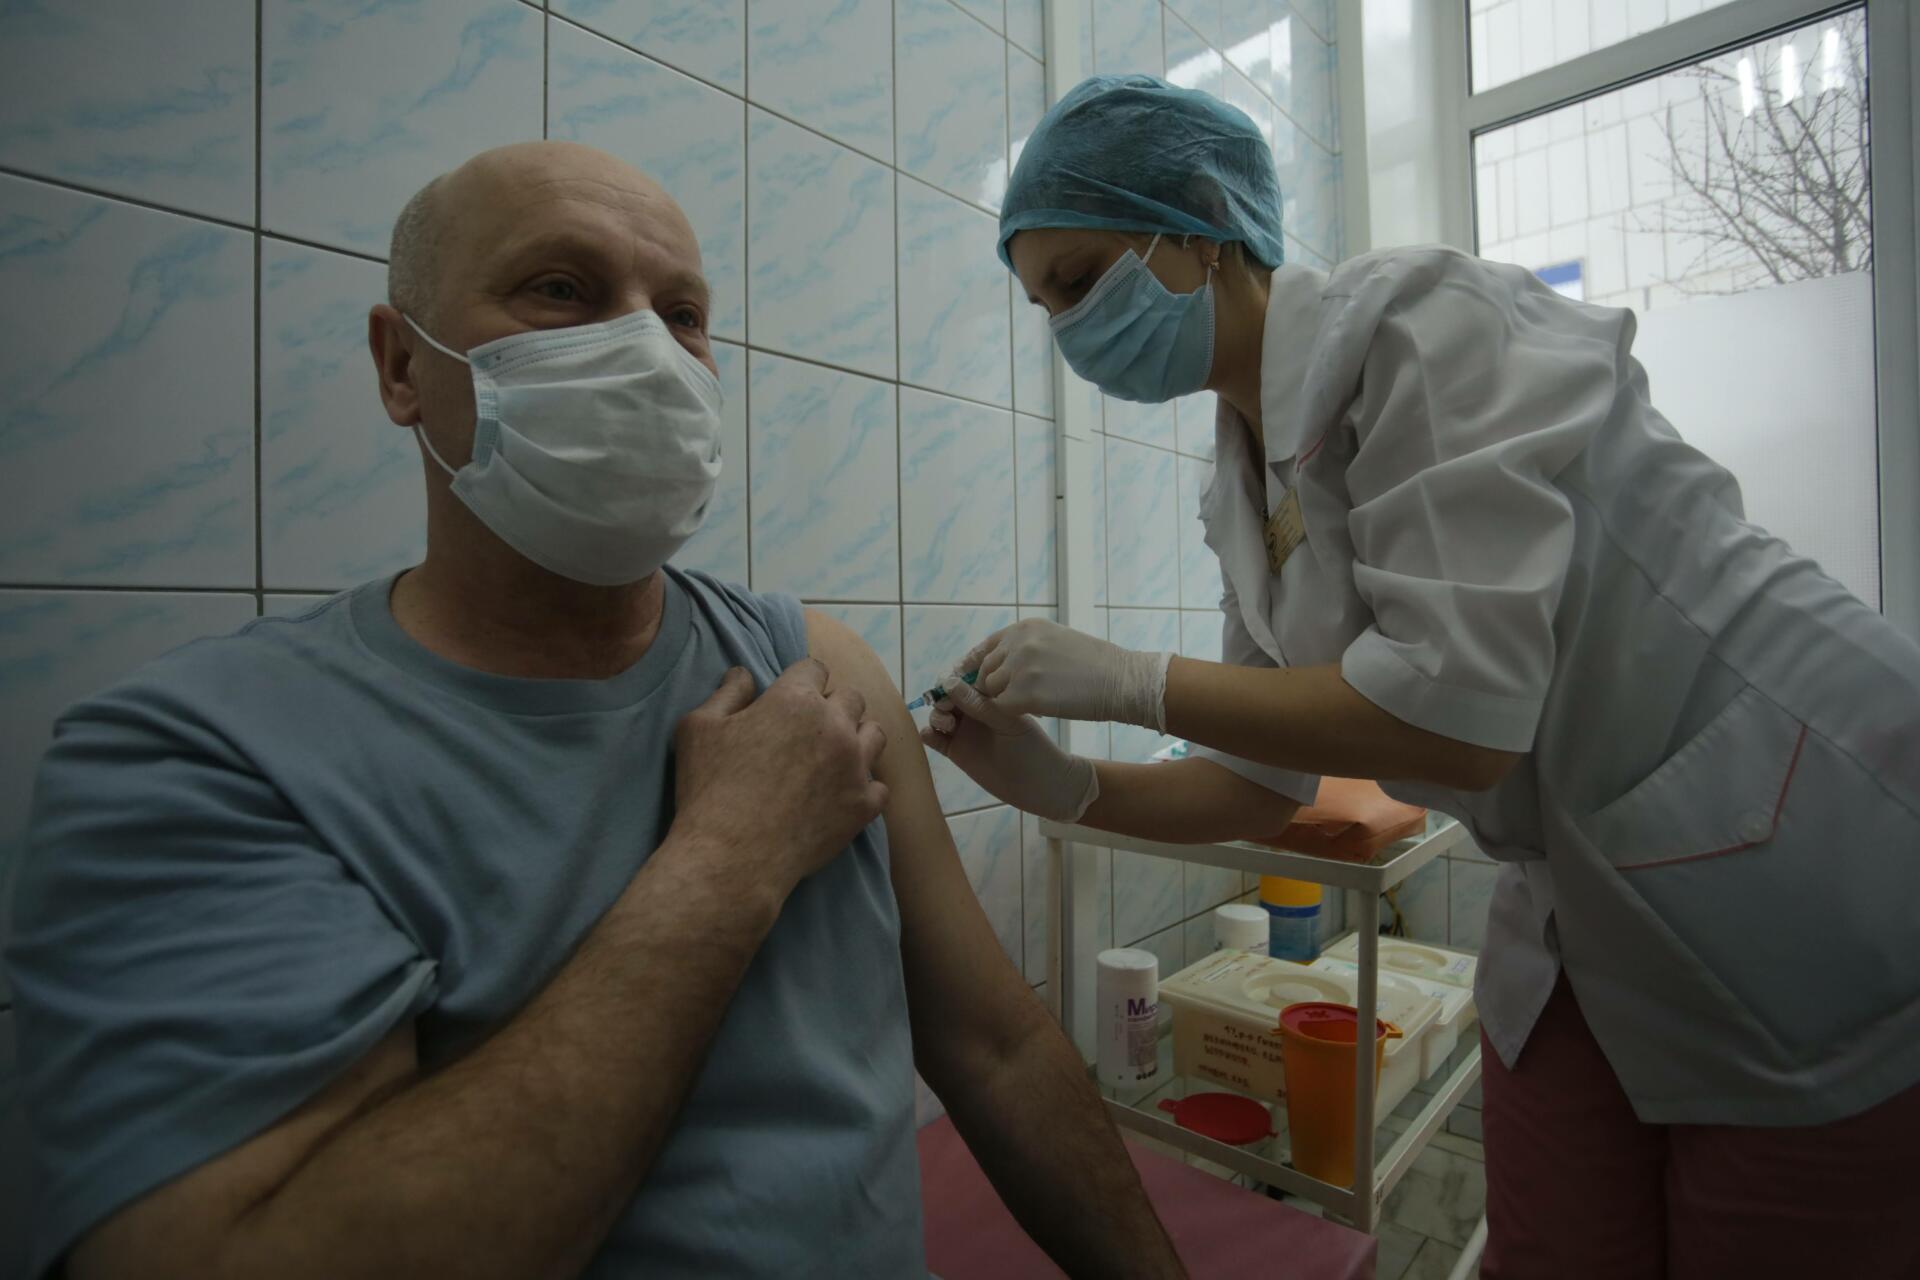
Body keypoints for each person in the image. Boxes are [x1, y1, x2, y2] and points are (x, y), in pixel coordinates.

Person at [4, 141, 1189, 1280]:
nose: (644, 350)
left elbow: (999, 1047)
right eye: (560, 290)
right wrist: (727, 859)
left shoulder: (810, 664)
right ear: (401, 364)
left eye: (682, 314)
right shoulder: (205, 756)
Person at [924, 75, 1920, 1277]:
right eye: (1045, 305)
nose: (1069, 330)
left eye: (1079, 280)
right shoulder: (1240, 485)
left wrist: (1132, 677)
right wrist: (1062, 784)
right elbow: (1256, 783)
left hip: (1790, 811)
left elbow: (1459, 721)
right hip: (1578, 875)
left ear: (1202, 223)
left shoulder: (1418, 323)